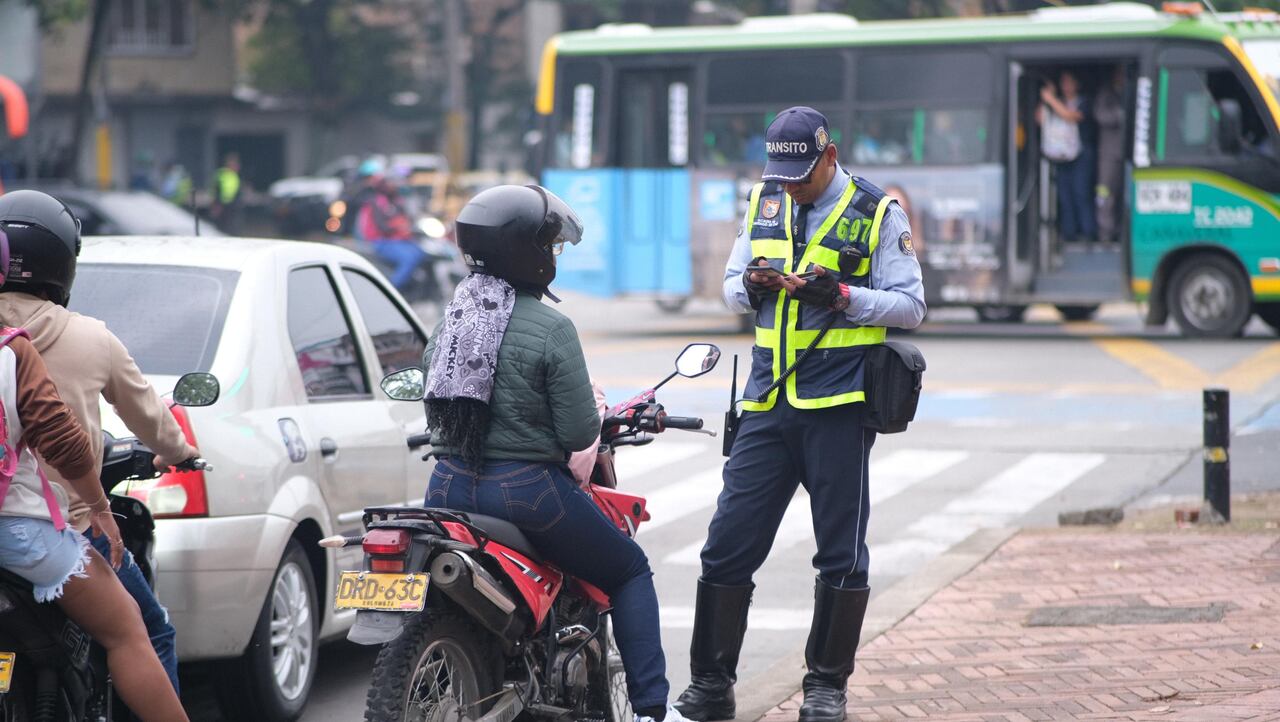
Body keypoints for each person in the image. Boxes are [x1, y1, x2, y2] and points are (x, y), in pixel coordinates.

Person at [674, 106, 925, 722]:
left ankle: (825, 687)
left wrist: (841, 297)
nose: (791, 188)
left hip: (838, 407)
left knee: (841, 554)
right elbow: (730, 287)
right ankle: (711, 686)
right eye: (781, 177)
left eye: (802, 176)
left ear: (829, 156)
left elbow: (911, 306)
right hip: (766, 402)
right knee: (726, 547)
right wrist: (752, 287)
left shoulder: (876, 212)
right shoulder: (765, 201)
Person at [421, 184, 688, 722]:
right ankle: (652, 712)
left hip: (446, 485)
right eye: (550, 246)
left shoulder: (452, 320)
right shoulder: (551, 327)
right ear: (528, 253)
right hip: (526, 494)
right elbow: (576, 432)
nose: (553, 255)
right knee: (629, 571)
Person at [0, 189, 200, 694]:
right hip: (57, 526)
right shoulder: (89, 338)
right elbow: (142, 415)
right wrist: (180, 452)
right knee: (146, 631)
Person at [1038, 70, 1097, 246]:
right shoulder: (1058, 102)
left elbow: (1071, 116)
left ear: (1077, 84)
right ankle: (1069, 234)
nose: (1066, 86)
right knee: (1065, 196)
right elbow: (1039, 119)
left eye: (1069, 82)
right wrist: (1046, 99)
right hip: (1061, 156)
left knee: (1081, 193)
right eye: (1063, 82)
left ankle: (1088, 233)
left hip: (1082, 155)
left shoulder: (1084, 101)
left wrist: (1050, 99)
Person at [358, 175, 428, 291]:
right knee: (409, 259)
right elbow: (382, 227)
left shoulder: (396, 201)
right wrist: (399, 227)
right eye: (390, 183)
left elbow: (407, 218)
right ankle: (391, 290)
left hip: (398, 240)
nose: (394, 186)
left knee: (421, 253)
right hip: (381, 241)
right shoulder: (376, 202)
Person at [1094, 66, 1126, 248]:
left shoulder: (1129, 91)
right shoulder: (1106, 93)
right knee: (1104, 193)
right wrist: (1119, 115)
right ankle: (1105, 232)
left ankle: (1121, 232)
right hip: (1108, 153)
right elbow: (1100, 115)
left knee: (1124, 194)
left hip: (1127, 153)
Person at [212, 152, 243, 234]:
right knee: (222, 229)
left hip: (233, 207)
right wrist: (217, 204)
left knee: (232, 228)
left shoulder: (235, 176)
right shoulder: (222, 174)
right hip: (223, 206)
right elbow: (216, 190)